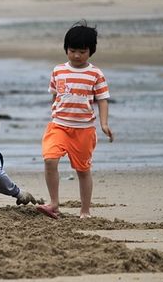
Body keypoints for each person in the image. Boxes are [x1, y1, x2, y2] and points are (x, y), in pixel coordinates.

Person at [37, 21, 114, 220]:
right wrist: (56, 112)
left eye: (82, 51)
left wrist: (104, 124)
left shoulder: (95, 74)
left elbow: (102, 100)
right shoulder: (58, 70)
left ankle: (85, 211)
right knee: (50, 159)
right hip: (59, 125)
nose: (77, 56)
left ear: (91, 51)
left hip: (84, 130)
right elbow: (55, 95)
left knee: (82, 170)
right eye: (72, 51)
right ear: (66, 49)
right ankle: (54, 203)